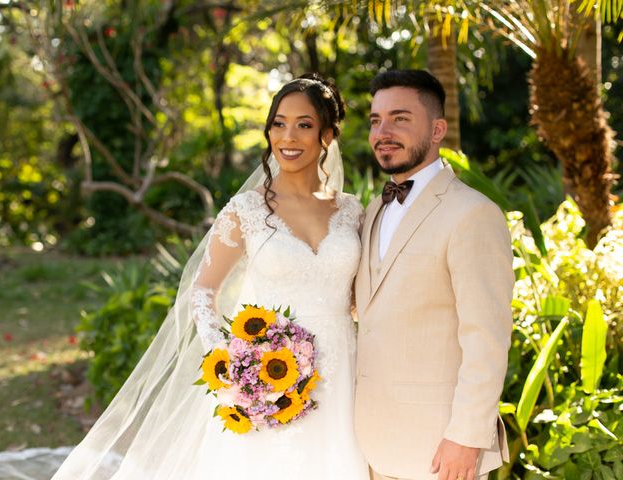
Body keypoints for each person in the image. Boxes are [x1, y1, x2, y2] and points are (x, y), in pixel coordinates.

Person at [50, 73, 369, 479]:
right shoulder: (247, 210)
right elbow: (202, 291)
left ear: (328, 134)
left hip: (343, 376)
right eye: (278, 123)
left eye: (303, 124)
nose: (287, 137)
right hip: (268, 381)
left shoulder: (353, 211)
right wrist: (235, 366)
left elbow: (360, 298)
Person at [354, 69, 514, 480]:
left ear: (438, 129)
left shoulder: (473, 213)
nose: (383, 131)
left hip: (441, 452)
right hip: (368, 444)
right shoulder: (372, 211)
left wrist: (466, 437)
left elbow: (487, 338)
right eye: (376, 120)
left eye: (400, 118)